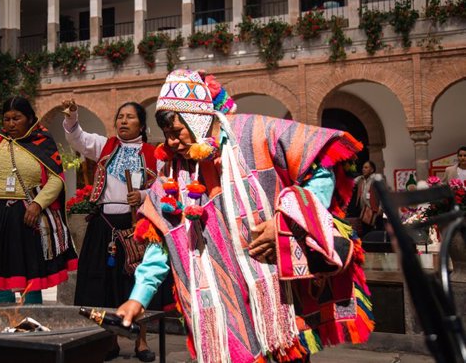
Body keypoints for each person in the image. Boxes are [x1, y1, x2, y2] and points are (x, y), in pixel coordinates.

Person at [116, 69, 374, 363]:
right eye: (166, 135)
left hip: (275, 296)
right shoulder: (170, 178)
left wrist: (286, 222)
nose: (171, 143)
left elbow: (321, 168)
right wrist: (139, 297)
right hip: (222, 308)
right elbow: (162, 241)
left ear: (199, 119)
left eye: (177, 132)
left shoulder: (254, 133)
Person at [62, 99, 166, 362]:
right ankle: (109, 341)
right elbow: (77, 138)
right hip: (104, 225)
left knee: (135, 282)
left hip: (136, 226)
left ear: (142, 124)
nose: (123, 121)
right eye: (120, 117)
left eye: (130, 117)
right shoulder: (105, 146)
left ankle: (141, 341)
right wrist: (73, 115)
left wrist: (143, 195)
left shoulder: (155, 154)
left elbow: (165, 186)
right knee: (104, 284)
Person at [0, 94, 77, 305]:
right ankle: (4, 319)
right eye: (7, 119)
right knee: (0, 274)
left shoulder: (43, 143)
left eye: (17, 118)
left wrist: (37, 204)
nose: (11, 124)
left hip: (28, 216)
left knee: (30, 273)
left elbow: (56, 179)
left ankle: (32, 321)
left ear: (30, 119)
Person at [352, 161, 383, 235]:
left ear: (372, 170)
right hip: (364, 211)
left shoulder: (376, 179)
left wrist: (380, 208)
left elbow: (382, 195)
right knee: (366, 233)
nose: (363, 169)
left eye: (366, 167)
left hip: (374, 210)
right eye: (363, 167)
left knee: (376, 233)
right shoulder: (361, 179)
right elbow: (352, 182)